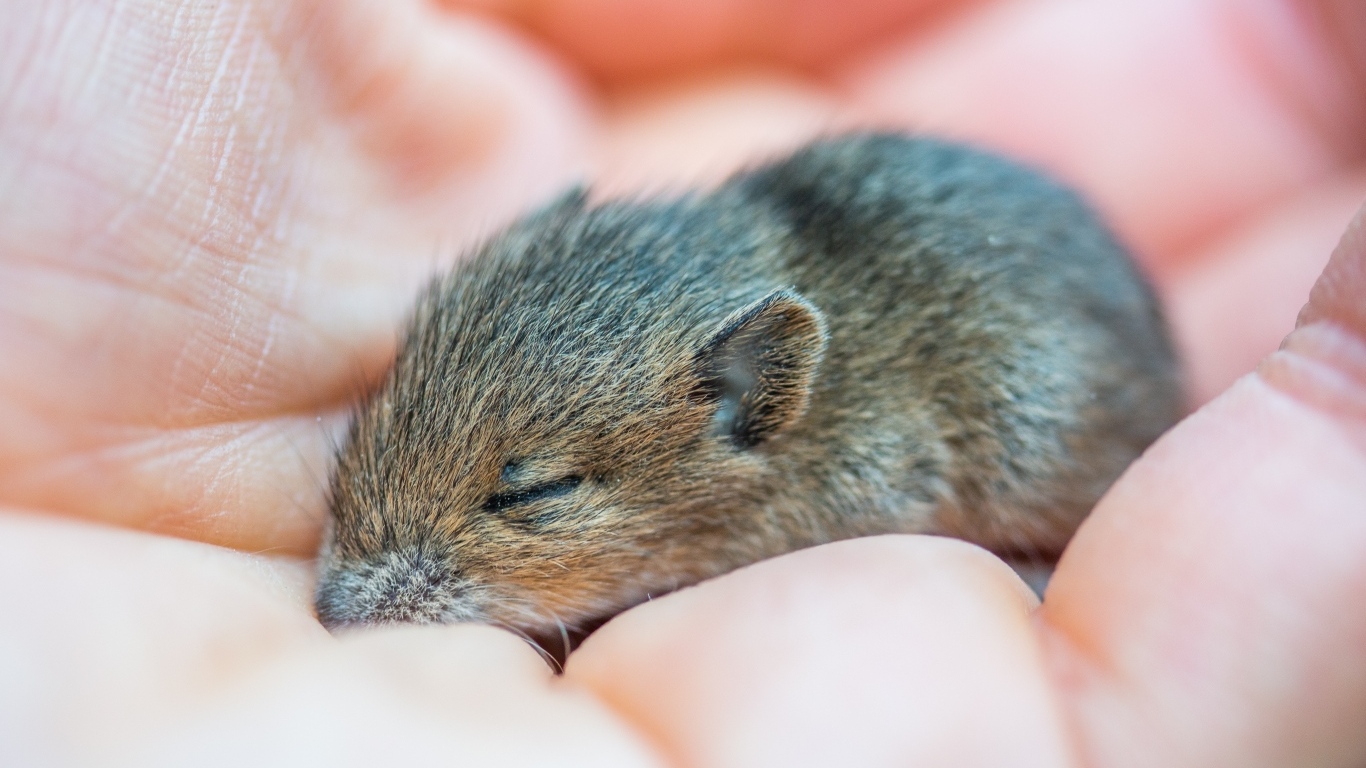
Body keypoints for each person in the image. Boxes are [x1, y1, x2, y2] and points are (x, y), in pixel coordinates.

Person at [0, 0, 1362, 764]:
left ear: (744, 405)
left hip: (1025, 320)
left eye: (520, 494)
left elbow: (881, 476)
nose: (363, 584)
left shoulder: (791, 428)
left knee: (1024, 419)